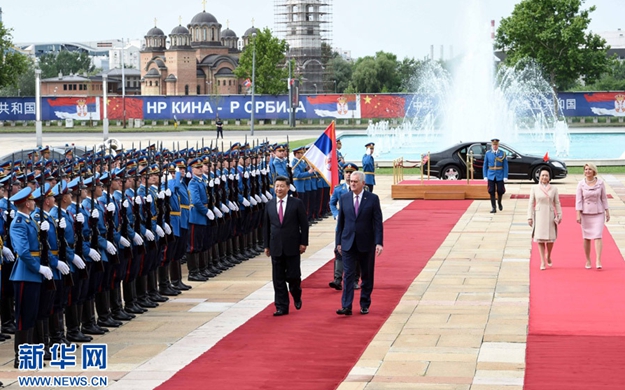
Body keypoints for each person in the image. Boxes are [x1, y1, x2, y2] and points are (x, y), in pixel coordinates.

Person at [335, 171, 383, 315]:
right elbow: (341, 223)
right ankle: (346, 305)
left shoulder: (372, 199)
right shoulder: (344, 198)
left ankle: (364, 303)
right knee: (348, 275)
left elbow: (377, 223)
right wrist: (338, 242)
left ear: (363, 183)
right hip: (348, 242)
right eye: (351, 181)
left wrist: (379, 242)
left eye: (356, 181)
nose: (353, 184)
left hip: (366, 243)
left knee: (366, 275)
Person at [263, 176, 309, 317]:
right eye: (277, 186)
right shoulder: (269, 205)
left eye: (282, 186)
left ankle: (296, 293)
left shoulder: (296, 203)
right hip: (276, 246)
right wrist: (266, 245)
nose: (279, 189)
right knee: (278, 278)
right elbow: (266, 227)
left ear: (288, 187)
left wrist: (303, 242)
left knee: (293, 276)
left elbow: (304, 224)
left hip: (292, 246)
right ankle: (281, 306)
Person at [575, 163, 609, 269]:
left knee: (598, 235)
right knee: (586, 238)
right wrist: (578, 214)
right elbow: (579, 200)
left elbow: (604, 198)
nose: (587, 171)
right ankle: (588, 260)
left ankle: (598, 260)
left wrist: (607, 211)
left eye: (590, 169)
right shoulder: (580, 184)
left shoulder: (600, 183)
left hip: (598, 212)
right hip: (586, 213)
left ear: (594, 171)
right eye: (586, 169)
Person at [527, 169, 562, 270]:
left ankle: (548, 255)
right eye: (542, 175)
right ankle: (542, 261)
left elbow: (557, 202)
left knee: (550, 239)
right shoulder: (534, 188)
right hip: (539, 214)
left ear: (549, 177)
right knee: (540, 239)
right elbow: (530, 203)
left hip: (550, 214)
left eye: (546, 175)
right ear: (539, 176)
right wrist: (529, 217)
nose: (544, 177)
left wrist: (559, 214)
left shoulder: (554, 189)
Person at [483, 138, 508, 213]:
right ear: (492, 145)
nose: (495, 146)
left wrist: (505, 176)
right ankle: (493, 207)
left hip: (500, 174)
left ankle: (499, 202)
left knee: (500, 190)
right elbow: (485, 165)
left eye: (496, 145)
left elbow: (505, 166)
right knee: (491, 191)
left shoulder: (502, 153)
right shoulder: (488, 153)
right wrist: (485, 176)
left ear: (498, 145)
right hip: (490, 174)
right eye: (493, 145)